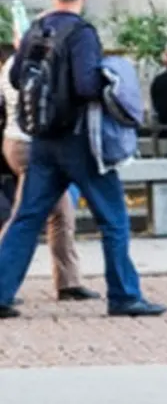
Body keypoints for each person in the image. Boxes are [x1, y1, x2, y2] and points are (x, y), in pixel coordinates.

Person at [0, 0, 165, 318]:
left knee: (27, 217)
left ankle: (0, 292)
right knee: (114, 218)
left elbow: (15, 78)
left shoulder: (34, 29)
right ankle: (123, 295)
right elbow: (86, 86)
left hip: (42, 139)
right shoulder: (81, 33)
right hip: (80, 141)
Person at [0, 42, 98, 302]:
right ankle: (4, 282)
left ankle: (68, 281)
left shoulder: (15, 66)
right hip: (31, 146)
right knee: (25, 217)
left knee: (61, 214)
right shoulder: (28, 67)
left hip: (22, 143)